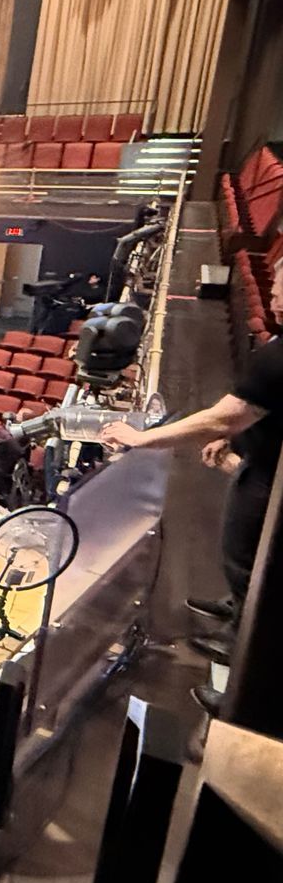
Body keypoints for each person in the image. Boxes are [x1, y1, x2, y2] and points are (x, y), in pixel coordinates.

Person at [104, 283, 283, 676]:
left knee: (246, 556)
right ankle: (240, 607)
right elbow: (260, 410)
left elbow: (223, 415)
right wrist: (233, 436)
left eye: (280, 287)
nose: (271, 294)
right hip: (262, 457)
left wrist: (141, 439)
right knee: (246, 558)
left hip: (269, 476)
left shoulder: (278, 357)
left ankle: (244, 648)